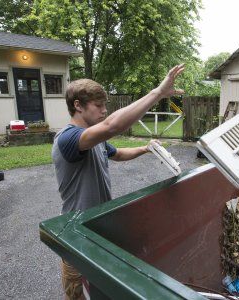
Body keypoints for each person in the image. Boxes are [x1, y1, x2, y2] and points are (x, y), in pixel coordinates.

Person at [52, 64, 185, 300]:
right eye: (98, 105)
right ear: (78, 105)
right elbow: (113, 126)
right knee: (79, 296)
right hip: (77, 235)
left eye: (105, 106)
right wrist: (158, 92)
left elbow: (118, 154)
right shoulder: (69, 139)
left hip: (98, 229)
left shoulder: (94, 139)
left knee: (102, 292)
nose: (104, 110)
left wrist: (145, 148)